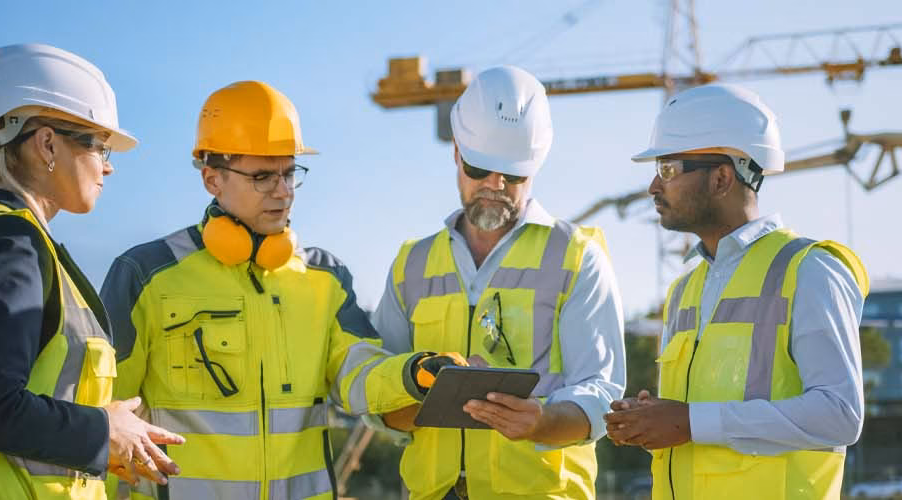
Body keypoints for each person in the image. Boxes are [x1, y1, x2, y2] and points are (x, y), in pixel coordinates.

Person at [101, 80, 458, 500]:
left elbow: (358, 372)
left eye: (290, 173)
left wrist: (414, 372)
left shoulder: (325, 277)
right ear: (212, 179)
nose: (284, 191)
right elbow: (103, 410)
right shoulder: (146, 274)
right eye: (263, 176)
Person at [0, 43, 182, 500]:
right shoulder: (8, 243)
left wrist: (100, 424)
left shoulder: (14, 239)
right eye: (99, 145)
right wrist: (102, 430)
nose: (109, 167)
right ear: (48, 144)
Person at [369, 66, 626, 500]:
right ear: (456, 153)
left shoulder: (576, 257)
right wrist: (414, 402)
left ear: (536, 168)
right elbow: (374, 387)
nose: (495, 186)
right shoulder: (411, 264)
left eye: (513, 176)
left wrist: (541, 422)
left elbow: (602, 392)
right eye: (480, 168)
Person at [604, 83, 870, 499]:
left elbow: (840, 414)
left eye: (668, 169)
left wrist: (691, 421)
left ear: (722, 178)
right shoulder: (684, 290)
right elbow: (691, 420)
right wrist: (649, 419)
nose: (654, 187)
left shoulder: (810, 270)